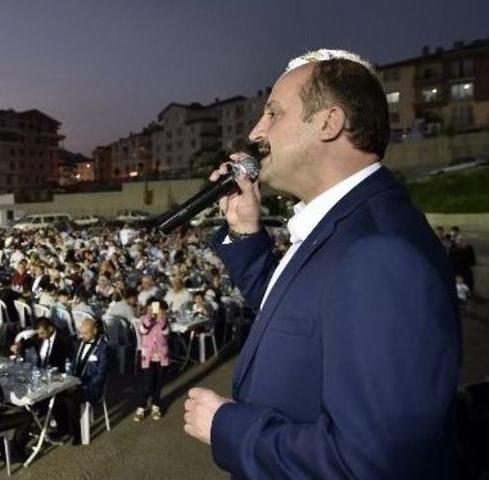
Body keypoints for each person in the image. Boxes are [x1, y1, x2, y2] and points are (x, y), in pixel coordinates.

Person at [182, 50, 460, 478]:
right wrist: (244, 233)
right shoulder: (346, 226)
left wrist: (228, 427)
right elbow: (295, 314)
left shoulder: (381, 250)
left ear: (329, 122)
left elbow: (370, 463)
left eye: (273, 113)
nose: (256, 131)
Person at [56, 317, 109, 445]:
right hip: (75, 382)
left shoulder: (103, 349)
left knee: (70, 399)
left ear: (95, 331)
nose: (81, 336)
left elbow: (100, 375)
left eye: (85, 333)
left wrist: (81, 385)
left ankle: (77, 433)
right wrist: (68, 380)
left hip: (92, 388)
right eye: (81, 332)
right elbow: (74, 364)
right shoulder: (79, 343)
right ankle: (64, 429)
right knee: (57, 395)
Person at [135, 298, 170, 422]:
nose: (153, 310)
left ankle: (156, 404)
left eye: (156, 307)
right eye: (151, 307)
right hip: (148, 356)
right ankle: (141, 406)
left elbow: (166, 332)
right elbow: (142, 330)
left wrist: (161, 319)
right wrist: (150, 318)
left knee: (159, 382)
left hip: (161, 355)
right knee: (148, 383)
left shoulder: (164, 319)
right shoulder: (144, 319)